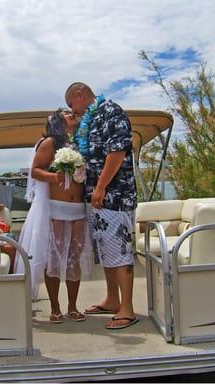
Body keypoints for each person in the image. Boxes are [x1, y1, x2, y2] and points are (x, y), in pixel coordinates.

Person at [65, 82, 138, 330]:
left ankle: (127, 308)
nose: (73, 112)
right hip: (96, 198)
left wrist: (100, 187)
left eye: (72, 106)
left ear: (79, 94)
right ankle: (112, 299)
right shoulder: (91, 119)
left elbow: (117, 152)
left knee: (120, 249)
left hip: (114, 196)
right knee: (105, 251)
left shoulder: (110, 111)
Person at [17, 108, 92, 323]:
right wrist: (54, 176)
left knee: (73, 258)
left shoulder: (82, 142)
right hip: (55, 207)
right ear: (58, 121)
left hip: (77, 208)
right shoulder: (50, 142)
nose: (73, 114)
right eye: (67, 113)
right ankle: (55, 307)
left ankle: (73, 306)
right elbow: (35, 170)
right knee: (54, 257)